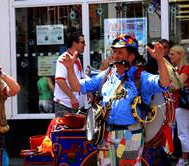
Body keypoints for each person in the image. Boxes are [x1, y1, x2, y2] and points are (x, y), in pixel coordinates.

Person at [60, 34, 170, 165]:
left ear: (131, 56)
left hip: (131, 135)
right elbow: (76, 86)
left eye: (120, 52)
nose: (115, 56)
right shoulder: (107, 75)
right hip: (106, 135)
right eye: (114, 52)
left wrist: (160, 60)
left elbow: (164, 83)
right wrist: (69, 69)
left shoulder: (141, 77)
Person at [53, 31, 87, 117]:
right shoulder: (64, 59)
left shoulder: (77, 59)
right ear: (74, 44)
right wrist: (72, 97)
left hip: (75, 105)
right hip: (65, 106)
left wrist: (88, 90)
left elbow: (80, 77)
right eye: (82, 42)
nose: (85, 45)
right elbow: (60, 80)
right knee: (64, 130)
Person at [168, 45, 189, 166]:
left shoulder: (186, 68)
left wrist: (173, 84)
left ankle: (184, 158)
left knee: (183, 132)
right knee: (180, 132)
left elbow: (175, 86)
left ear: (180, 55)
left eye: (172, 54)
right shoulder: (176, 69)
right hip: (177, 104)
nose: (170, 56)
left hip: (183, 104)